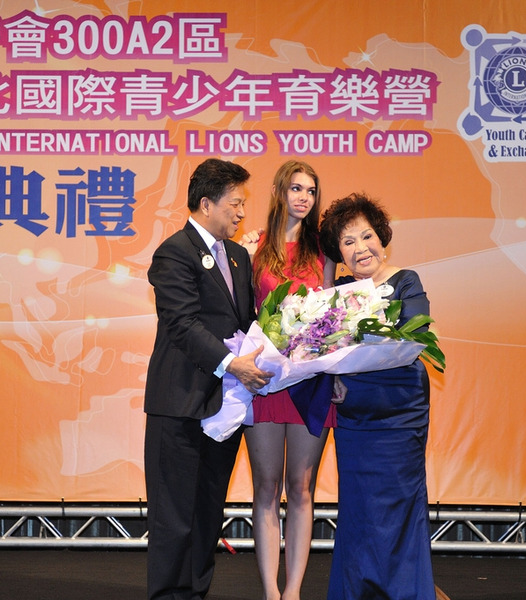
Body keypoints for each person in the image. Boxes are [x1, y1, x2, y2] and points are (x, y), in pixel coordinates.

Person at [144, 158, 275, 600]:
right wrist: (232, 363)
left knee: (206, 514)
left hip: (224, 408)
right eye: (235, 203)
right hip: (180, 403)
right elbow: (182, 324)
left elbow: (245, 323)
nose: (242, 213)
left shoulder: (237, 257)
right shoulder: (174, 252)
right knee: (173, 516)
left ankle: (196, 593)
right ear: (206, 203)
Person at [318, 192, 437, 600]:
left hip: (400, 409)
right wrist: (331, 373)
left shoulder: (406, 280)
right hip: (355, 414)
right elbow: (320, 346)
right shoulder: (337, 292)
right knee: (359, 509)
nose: (360, 248)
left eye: (366, 236)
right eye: (348, 242)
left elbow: (416, 333)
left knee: (401, 505)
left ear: (381, 237)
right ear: (340, 253)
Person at [241, 160, 335, 600]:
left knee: (300, 488)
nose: (304, 197)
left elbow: (334, 320)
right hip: (263, 380)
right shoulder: (252, 247)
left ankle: (293, 591)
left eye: (311, 191)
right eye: (296, 188)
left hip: (308, 381)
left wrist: (333, 370)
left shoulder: (323, 251)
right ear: (279, 192)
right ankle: (270, 592)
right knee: (266, 487)